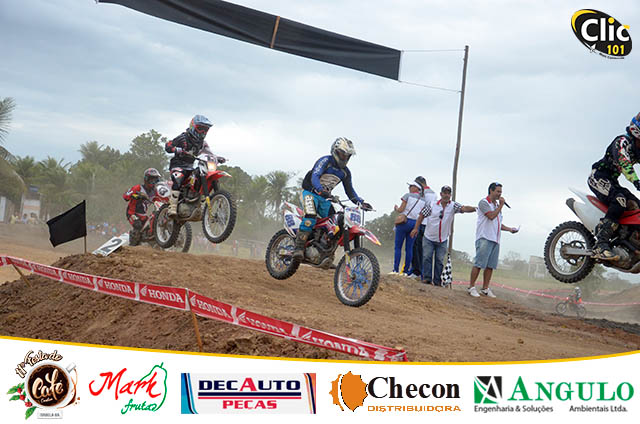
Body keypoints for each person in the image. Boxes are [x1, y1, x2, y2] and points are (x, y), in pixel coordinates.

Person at [292, 137, 372, 260]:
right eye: (342, 154)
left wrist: (361, 202)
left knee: (335, 223)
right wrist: (320, 189)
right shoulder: (325, 161)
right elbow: (315, 176)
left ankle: (326, 253)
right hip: (310, 193)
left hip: (325, 199)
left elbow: (350, 191)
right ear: (335, 151)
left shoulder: (345, 172)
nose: (344, 158)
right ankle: (299, 247)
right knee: (310, 216)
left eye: (347, 156)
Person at [588, 112, 640, 260]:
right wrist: (636, 181)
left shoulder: (638, 150)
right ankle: (601, 244)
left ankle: (625, 241)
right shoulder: (622, 142)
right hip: (598, 177)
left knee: (637, 206)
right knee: (620, 200)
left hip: (613, 181)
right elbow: (624, 163)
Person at [410, 185, 476, 285]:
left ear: (450, 195)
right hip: (429, 237)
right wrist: (416, 228)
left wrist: (475, 209)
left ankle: (437, 281)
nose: (446, 195)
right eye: (445, 193)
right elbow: (421, 215)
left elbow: (463, 208)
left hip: (443, 239)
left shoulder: (453, 206)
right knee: (427, 257)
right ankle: (427, 278)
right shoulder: (432, 205)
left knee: (439, 260)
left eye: (448, 193)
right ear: (441, 194)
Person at [164, 115, 226, 217]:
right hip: (178, 165)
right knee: (179, 177)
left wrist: (217, 158)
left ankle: (199, 202)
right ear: (193, 126)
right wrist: (176, 149)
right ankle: (172, 207)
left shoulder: (202, 143)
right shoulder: (183, 138)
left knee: (199, 175)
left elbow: (209, 153)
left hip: (190, 167)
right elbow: (168, 145)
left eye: (205, 129)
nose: (203, 132)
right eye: (200, 128)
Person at [468, 182, 519, 298]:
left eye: (501, 192)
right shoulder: (484, 203)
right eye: (498, 191)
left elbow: (498, 224)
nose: (500, 194)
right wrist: (501, 206)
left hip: (495, 239)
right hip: (484, 238)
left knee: (490, 266)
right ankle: (471, 287)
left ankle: (485, 288)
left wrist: (510, 229)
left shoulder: (496, 206)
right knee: (479, 263)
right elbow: (491, 216)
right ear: (491, 191)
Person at [390, 181, 426, 276]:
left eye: (411, 186)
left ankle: (395, 270)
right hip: (415, 224)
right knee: (409, 248)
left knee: (398, 247)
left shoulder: (407, 196)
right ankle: (405, 271)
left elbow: (401, 209)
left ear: (416, 188)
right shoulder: (423, 200)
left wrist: (396, 208)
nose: (409, 187)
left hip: (404, 222)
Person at [407, 176, 436, 278]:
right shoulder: (434, 194)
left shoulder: (421, 193)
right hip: (429, 223)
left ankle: (416, 271)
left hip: (420, 222)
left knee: (416, 247)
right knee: (424, 249)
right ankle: (423, 272)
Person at [123, 168, 162, 238]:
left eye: (156, 180)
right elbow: (126, 196)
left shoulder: (155, 191)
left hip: (143, 216)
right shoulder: (138, 188)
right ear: (146, 179)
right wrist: (137, 196)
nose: (154, 182)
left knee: (152, 226)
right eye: (152, 180)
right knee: (138, 225)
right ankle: (133, 239)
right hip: (132, 213)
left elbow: (160, 201)